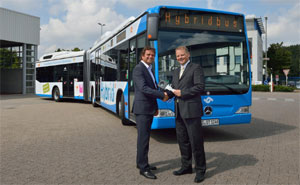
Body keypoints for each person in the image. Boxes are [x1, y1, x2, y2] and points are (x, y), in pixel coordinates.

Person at [168, 46, 206, 183]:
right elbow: (173, 88)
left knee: (196, 141)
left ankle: (200, 170)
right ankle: (186, 166)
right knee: (182, 141)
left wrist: (183, 93)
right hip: (178, 110)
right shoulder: (176, 71)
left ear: (188, 55)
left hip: (192, 111)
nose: (180, 58)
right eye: (178, 56)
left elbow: (200, 87)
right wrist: (166, 93)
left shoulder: (196, 68)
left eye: (182, 55)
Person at [132, 46, 169, 180]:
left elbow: (153, 87)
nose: (150, 57)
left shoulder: (149, 69)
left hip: (148, 108)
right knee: (143, 139)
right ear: (142, 56)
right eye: (148, 55)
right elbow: (143, 88)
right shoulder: (138, 69)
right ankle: (143, 168)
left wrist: (156, 105)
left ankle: (141, 163)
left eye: (152, 55)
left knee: (145, 137)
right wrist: (161, 95)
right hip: (142, 109)